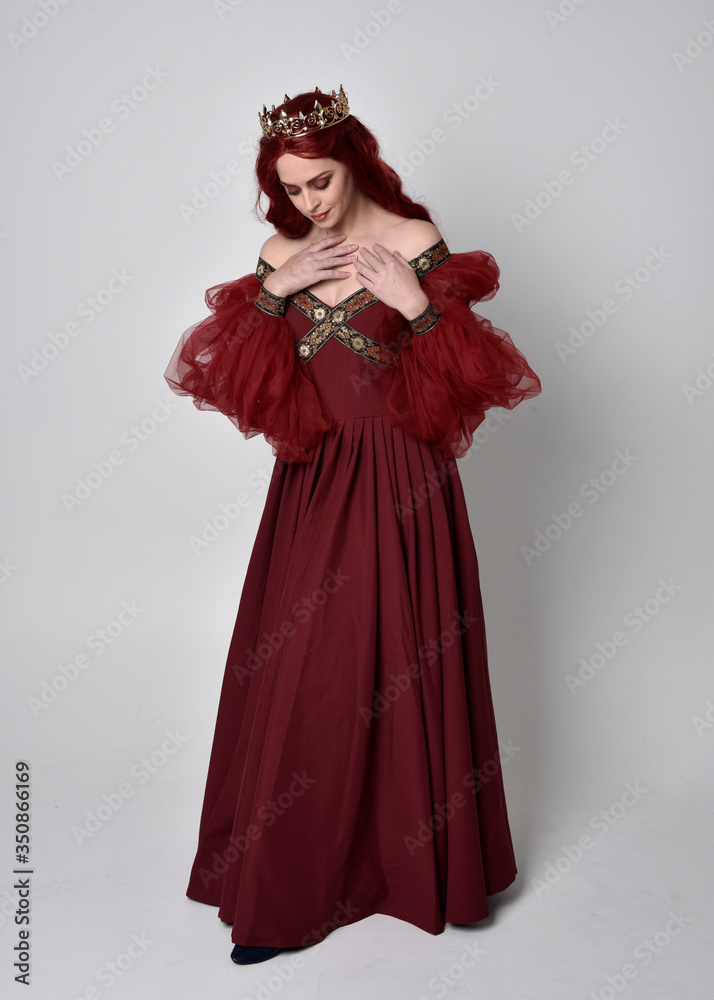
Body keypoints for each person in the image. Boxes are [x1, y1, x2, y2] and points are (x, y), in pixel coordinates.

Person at [164, 84, 541, 966]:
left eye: (320, 183)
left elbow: (470, 383)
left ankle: (410, 870)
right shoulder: (280, 251)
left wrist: (416, 306)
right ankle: (288, 881)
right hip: (312, 478)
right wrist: (274, 291)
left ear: (358, 161)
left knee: (402, 661)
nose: (308, 204)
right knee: (307, 665)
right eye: (292, 191)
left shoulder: (415, 244)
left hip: (404, 479)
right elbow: (240, 387)